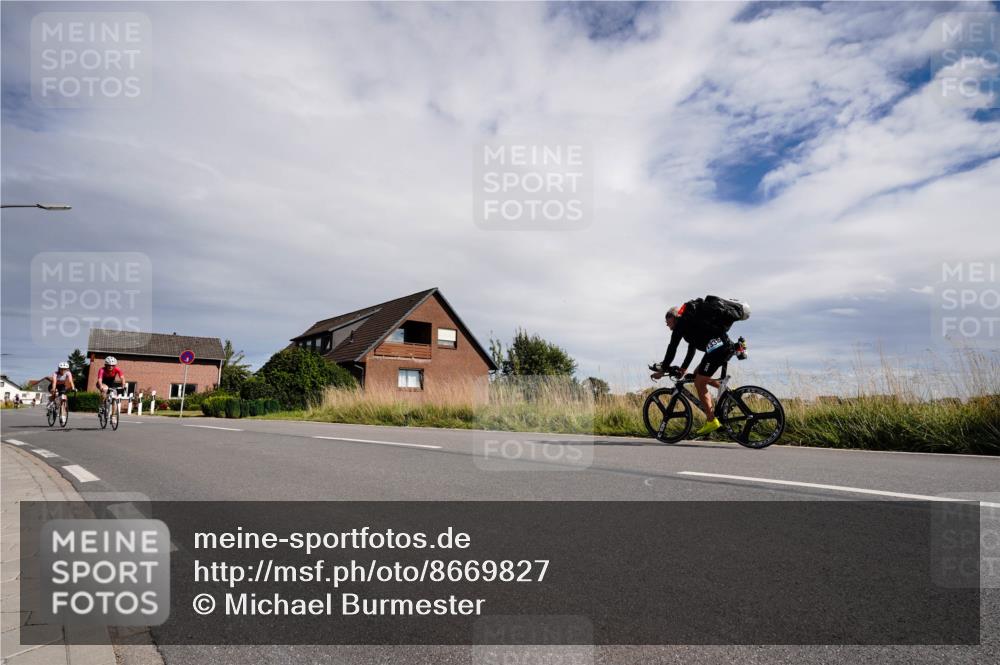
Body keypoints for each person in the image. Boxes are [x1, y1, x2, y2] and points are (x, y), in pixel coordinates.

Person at [651, 301, 737, 436]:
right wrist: (684, 368)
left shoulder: (681, 325)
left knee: (699, 382)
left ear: (674, 318)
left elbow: (672, 348)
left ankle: (711, 420)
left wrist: (662, 370)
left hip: (717, 349)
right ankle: (728, 393)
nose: (667, 325)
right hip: (723, 346)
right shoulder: (690, 326)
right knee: (697, 374)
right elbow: (692, 349)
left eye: (668, 322)